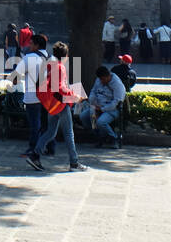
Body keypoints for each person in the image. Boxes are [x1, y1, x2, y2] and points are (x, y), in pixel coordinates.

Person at [28, 42, 85, 172]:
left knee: (51, 132)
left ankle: (35, 155)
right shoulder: (60, 67)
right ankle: (74, 163)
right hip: (61, 104)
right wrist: (75, 96)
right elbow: (60, 88)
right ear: (65, 55)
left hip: (51, 104)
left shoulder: (51, 66)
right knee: (69, 133)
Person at [16, 33, 53, 159]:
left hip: (32, 96)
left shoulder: (29, 57)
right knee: (47, 125)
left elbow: (16, 75)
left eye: (31, 43)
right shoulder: (52, 58)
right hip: (48, 97)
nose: (29, 45)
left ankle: (33, 148)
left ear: (37, 45)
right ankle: (49, 148)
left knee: (35, 125)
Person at [78, 65, 126, 148]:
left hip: (111, 109)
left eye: (103, 79)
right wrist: (93, 102)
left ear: (108, 76)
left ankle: (113, 138)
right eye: (100, 79)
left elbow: (116, 102)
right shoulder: (99, 80)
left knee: (101, 122)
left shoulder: (117, 84)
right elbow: (93, 91)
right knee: (84, 117)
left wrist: (102, 109)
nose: (101, 81)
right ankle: (99, 135)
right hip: (97, 106)